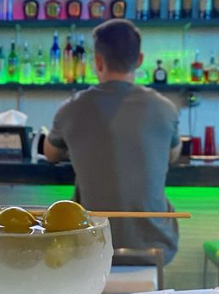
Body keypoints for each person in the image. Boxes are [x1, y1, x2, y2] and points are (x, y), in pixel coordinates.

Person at [44, 19, 181, 266]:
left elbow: (50, 154)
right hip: (156, 249)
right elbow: (173, 155)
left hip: (91, 248)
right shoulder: (165, 108)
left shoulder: (71, 108)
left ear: (97, 61)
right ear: (139, 60)